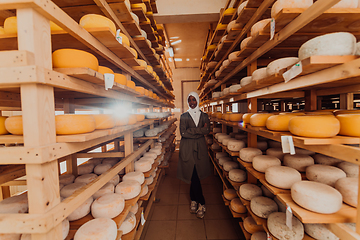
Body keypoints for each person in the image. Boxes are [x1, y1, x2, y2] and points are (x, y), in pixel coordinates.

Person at [177, 91, 211, 219]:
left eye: (194, 100)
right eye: (190, 100)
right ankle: (201, 202)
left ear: (198, 101)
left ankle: (194, 200)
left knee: (196, 174)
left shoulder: (204, 115)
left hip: (200, 147)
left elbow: (207, 130)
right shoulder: (184, 116)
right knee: (193, 174)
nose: (192, 103)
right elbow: (183, 133)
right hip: (187, 147)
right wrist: (200, 130)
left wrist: (193, 131)